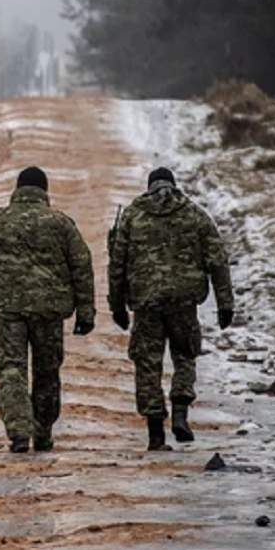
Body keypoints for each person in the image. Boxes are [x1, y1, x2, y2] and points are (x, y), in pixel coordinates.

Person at [0, 166, 95, 453]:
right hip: (49, 312)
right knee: (47, 371)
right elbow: (81, 267)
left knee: (11, 368)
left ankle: (19, 432)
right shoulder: (61, 223)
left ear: (17, 190)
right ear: (44, 192)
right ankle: (43, 431)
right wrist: (86, 312)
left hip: (10, 312)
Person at [107, 167, 235, 451]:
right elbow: (217, 259)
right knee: (185, 355)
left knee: (147, 364)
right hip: (183, 302)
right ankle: (180, 413)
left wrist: (116, 305)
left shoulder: (132, 216)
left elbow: (117, 264)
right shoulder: (194, 214)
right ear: (174, 186)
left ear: (149, 187)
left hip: (146, 304)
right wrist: (225, 303)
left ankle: (155, 433)